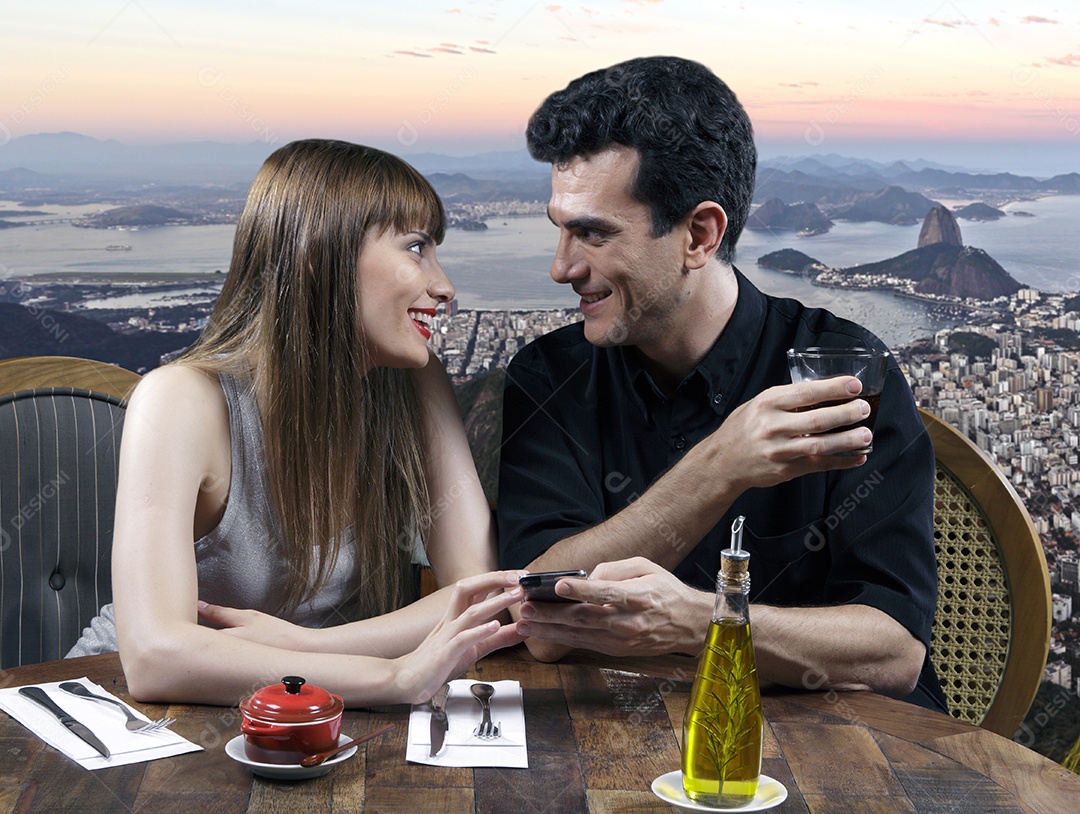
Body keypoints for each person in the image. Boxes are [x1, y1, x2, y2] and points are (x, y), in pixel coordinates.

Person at [497, 57, 947, 711]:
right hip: (630, 734)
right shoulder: (550, 377)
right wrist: (721, 465)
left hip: (840, 745)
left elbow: (893, 651)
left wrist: (699, 620)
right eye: (559, 229)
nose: (561, 267)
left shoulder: (842, 371)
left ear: (700, 234)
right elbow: (541, 607)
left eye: (592, 234)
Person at [69, 139, 525, 707]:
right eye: (416, 248)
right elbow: (157, 657)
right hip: (133, 712)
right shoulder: (181, 399)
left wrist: (310, 647)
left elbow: (477, 597)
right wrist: (393, 679)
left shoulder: (414, 381)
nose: (444, 285)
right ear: (318, 254)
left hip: (311, 709)